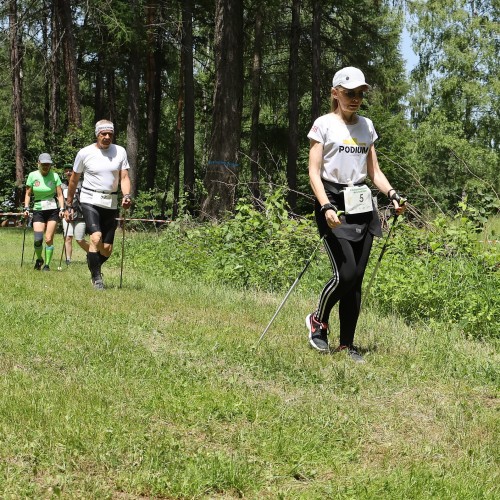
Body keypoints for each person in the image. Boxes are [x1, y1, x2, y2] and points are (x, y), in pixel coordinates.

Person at [306, 66, 406, 362]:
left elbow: (373, 171)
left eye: (360, 94)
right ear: (335, 93)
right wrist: (325, 205)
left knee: (357, 279)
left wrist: (392, 194)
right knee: (345, 273)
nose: (355, 99)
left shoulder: (366, 126)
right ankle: (318, 321)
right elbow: (313, 172)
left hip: (361, 202)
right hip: (332, 201)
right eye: (349, 93)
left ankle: (346, 344)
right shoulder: (323, 124)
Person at [65, 120, 132, 290]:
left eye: (110, 133)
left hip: (111, 201)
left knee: (107, 250)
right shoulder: (84, 153)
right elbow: (74, 179)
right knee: (95, 237)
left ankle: (93, 262)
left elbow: (124, 177)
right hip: (89, 199)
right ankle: (97, 279)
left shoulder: (120, 151)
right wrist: (69, 203)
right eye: (103, 134)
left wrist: (126, 195)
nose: (107, 137)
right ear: (97, 134)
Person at [23, 153, 65, 271]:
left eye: (48, 164)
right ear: (39, 163)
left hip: (52, 209)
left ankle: (47, 265)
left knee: (48, 238)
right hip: (38, 209)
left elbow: (60, 194)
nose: (46, 166)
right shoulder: (32, 175)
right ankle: (39, 258)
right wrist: (26, 208)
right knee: (38, 239)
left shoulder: (55, 176)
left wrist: (62, 208)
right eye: (43, 164)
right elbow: (28, 194)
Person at [61, 165, 89, 264]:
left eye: (70, 171)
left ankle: (92, 253)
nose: (68, 173)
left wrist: (74, 209)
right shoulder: (62, 185)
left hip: (80, 215)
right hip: (66, 214)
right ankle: (68, 259)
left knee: (79, 239)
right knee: (67, 237)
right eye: (66, 171)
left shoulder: (81, 184)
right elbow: (61, 200)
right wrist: (63, 210)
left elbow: (83, 200)